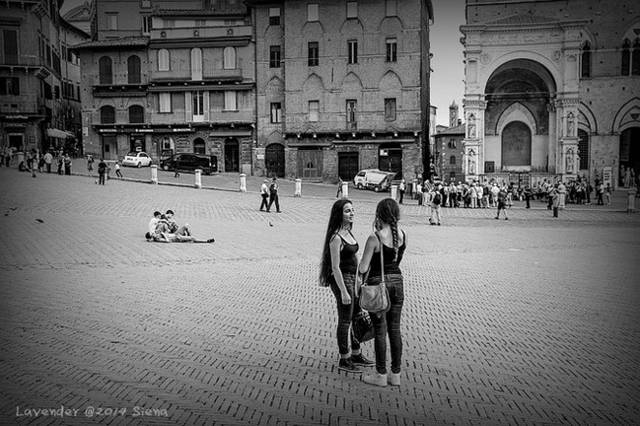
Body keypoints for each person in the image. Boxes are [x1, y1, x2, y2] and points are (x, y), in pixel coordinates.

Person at [319, 199, 375, 373]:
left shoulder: (348, 232)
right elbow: (335, 267)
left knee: (357, 316)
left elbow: (354, 257)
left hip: (353, 279)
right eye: (347, 211)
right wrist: (343, 291)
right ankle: (344, 358)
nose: (351, 213)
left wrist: (359, 278)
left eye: (352, 210)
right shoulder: (336, 237)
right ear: (339, 214)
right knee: (345, 319)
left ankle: (356, 354)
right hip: (342, 280)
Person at [357, 198, 407, 387]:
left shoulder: (375, 238)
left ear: (379, 214)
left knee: (380, 330)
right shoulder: (402, 235)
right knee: (395, 329)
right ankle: (396, 374)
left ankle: (380, 374)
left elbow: (363, 267)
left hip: (379, 285)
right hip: (398, 282)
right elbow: (396, 261)